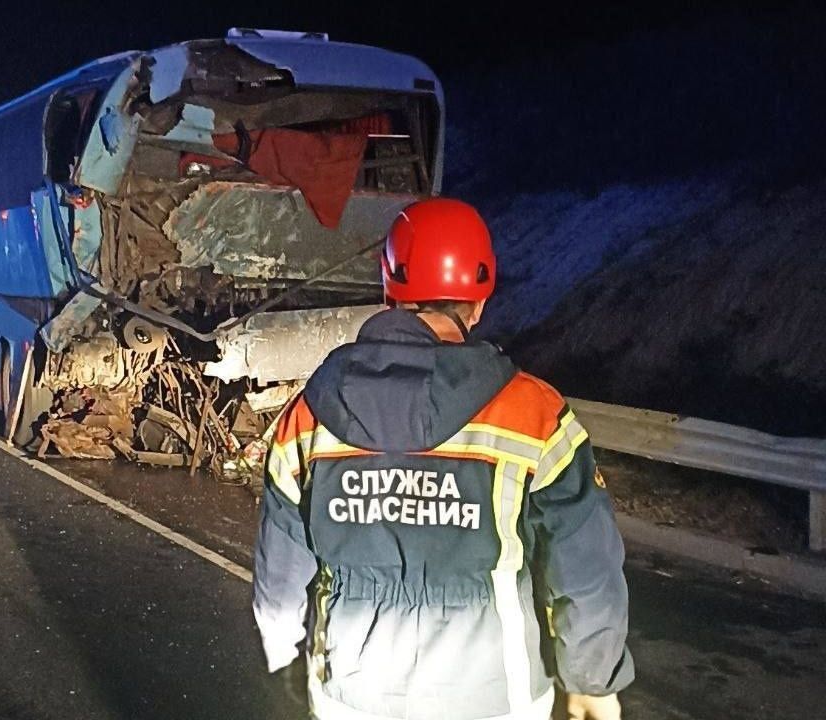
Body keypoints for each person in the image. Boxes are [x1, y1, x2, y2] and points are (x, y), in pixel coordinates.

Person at [253, 198, 633, 720]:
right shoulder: (533, 414)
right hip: (495, 699)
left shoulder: (310, 415)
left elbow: (281, 569)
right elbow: (585, 567)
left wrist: (283, 656)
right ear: (478, 303)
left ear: (389, 291)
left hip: (353, 696)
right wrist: (592, 680)